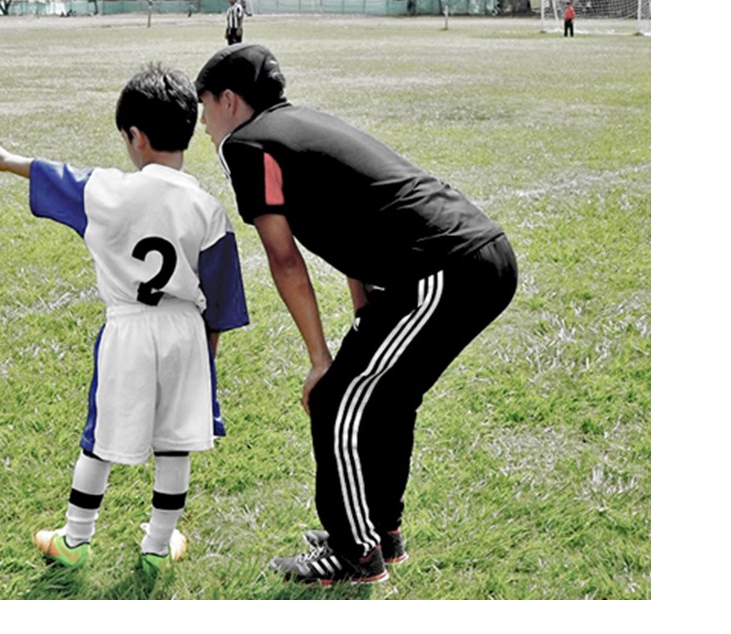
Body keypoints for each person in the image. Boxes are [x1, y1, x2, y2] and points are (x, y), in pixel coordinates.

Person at [196, 44, 518, 586]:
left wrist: (320, 360)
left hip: (445, 267)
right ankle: (378, 532)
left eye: (205, 106)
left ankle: (353, 553)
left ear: (229, 100)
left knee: (334, 399)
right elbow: (354, 219)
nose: (204, 123)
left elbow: (284, 259)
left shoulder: (246, 144)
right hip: (466, 261)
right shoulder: (299, 124)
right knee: (388, 398)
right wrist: (363, 310)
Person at [0, 64, 249, 577]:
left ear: (135, 136)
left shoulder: (107, 190)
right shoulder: (208, 208)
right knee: (175, 441)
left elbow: (57, 175)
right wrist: (206, 356)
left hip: (128, 328)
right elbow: (221, 300)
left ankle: (75, 538)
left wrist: (7, 160)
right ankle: (158, 546)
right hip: (186, 333)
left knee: (100, 435)